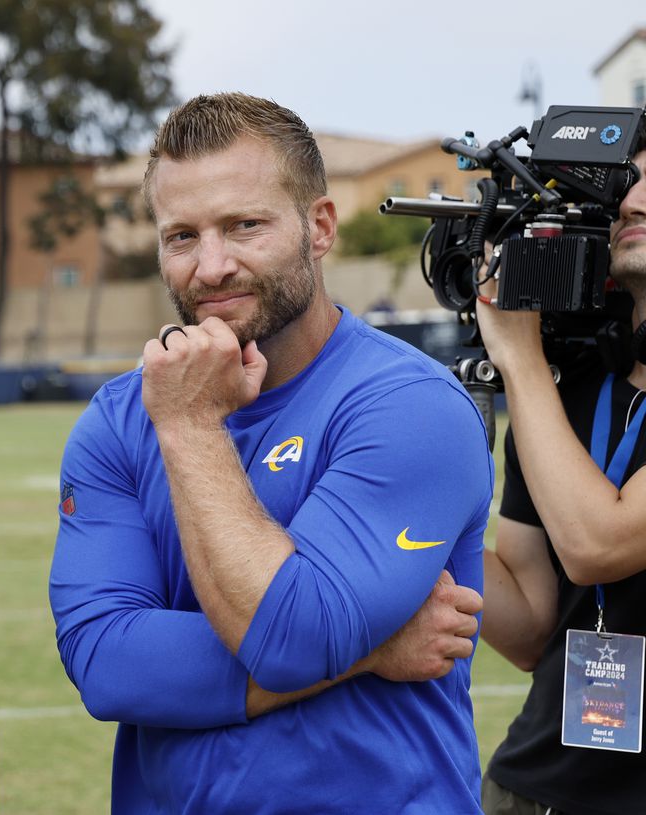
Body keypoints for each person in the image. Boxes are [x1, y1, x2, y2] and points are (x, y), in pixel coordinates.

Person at [49, 92, 492, 814]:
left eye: (244, 225)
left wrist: (192, 427)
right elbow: (106, 663)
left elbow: (291, 638)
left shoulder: (410, 405)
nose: (211, 266)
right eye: (182, 235)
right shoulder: (117, 421)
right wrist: (368, 650)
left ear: (319, 227)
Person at [478, 150, 646, 814]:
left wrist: (517, 356)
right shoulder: (567, 392)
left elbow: (598, 545)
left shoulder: (531, 377)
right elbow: (528, 629)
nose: (633, 204)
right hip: (534, 789)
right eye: (626, 189)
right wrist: (410, 524)